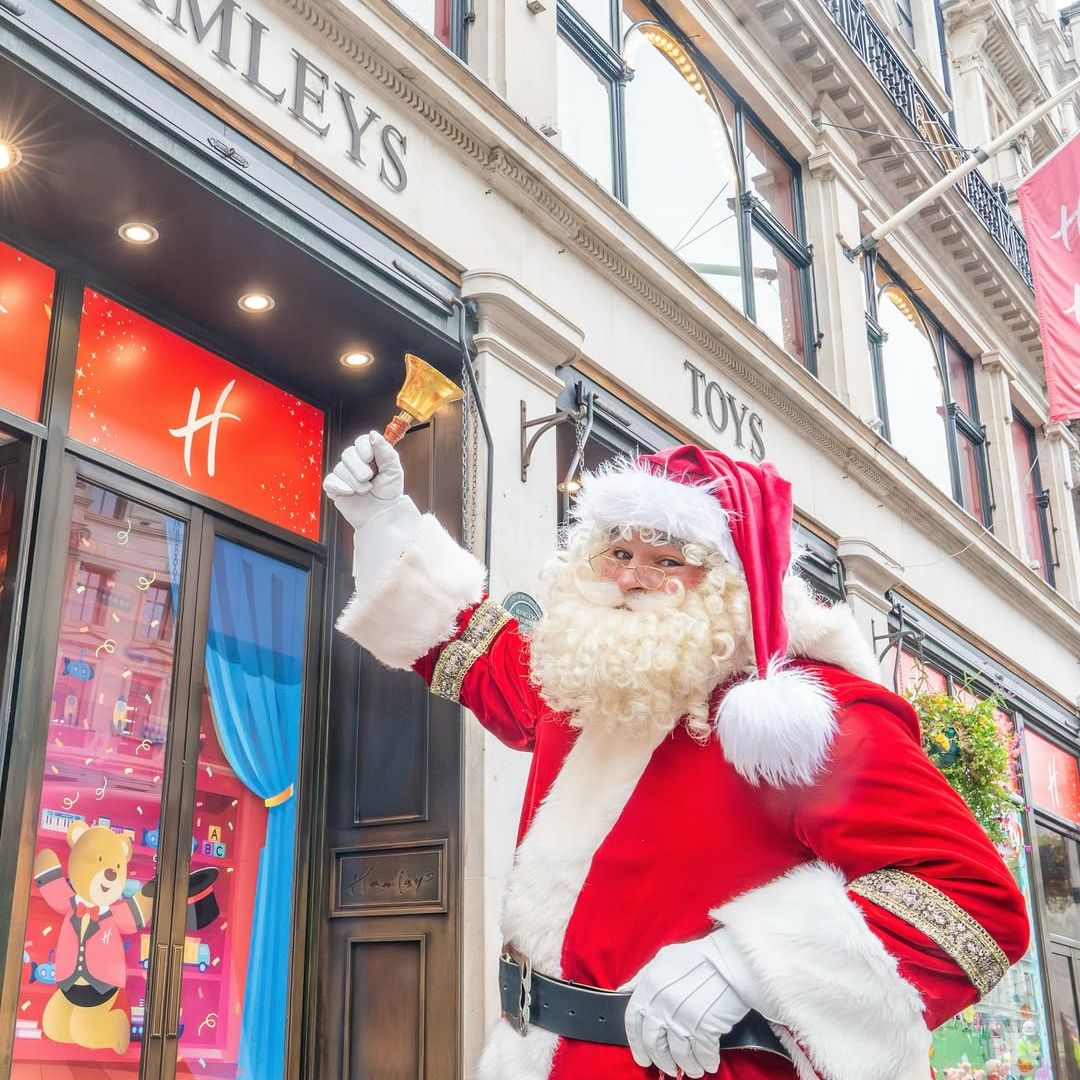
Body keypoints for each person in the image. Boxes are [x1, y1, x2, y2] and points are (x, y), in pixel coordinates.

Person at [324, 434, 1030, 1080]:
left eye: (668, 562)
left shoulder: (810, 716)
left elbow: (974, 903)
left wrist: (748, 963)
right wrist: (383, 518)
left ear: (731, 582)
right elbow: (472, 648)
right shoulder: (586, 675)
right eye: (619, 553)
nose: (631, 579)